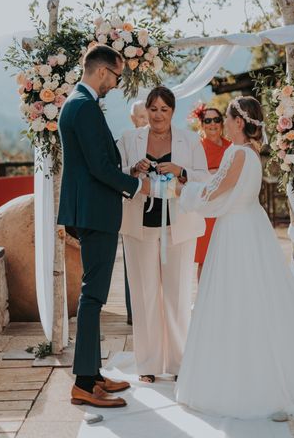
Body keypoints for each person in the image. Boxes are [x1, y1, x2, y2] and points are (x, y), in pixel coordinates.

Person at [174, 96, 294, 420]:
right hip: (251, 226)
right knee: (257, 298)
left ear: (239, 122)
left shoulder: (237, 153)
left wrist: (184, 193)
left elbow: (215, 192)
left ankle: (241, 380)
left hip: (236, 233)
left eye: (228, 119)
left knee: (234, 301)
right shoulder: (253, 153)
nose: (225, 125)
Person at [57, 44, 151, 408]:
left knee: (93, 294)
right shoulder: (82, 107)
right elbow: (97, 166)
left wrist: (128, 172)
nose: (116, 83)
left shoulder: (79, 104)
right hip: (94, 213)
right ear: (101, 71)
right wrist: (135, 185)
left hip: (93, 209)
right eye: (116, 76)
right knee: (93, 297)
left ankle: (93, 374)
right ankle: (83, 382)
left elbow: (93, 163)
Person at [117, 86, 209, 384]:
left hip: (178, 226)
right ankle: (148, 363)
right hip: (139, 225)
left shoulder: (190, 140)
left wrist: (180, 170)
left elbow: (204, 178)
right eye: (153, 109)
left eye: (164, 110)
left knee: (177, 294)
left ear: (173, 112)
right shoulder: (130, 139)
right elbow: (116, 174)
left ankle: (180, 362)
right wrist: (133, 170)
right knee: (144, 295)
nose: (158, 115)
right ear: (146, 110)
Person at [191, 105, 231, 282]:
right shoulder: (197, 148)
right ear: (202, 124)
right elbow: (192, 177)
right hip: (207, 210)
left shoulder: (232, 147)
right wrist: (216, 173)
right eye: (207, 120)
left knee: (228, 258)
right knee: (205, 260)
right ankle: (203, 301)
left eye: (216, 120)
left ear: (222, 123)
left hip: (229, 207)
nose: (212, 124)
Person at [123, 100, 148, 325]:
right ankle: (134, 313)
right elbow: (115, 171)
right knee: (132, 264)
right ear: (133, 119)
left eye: (148, 116)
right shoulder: (125, 141)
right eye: (142, 117)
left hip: (158, 210)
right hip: (132, 207)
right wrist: (132, 170)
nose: (146, 121)